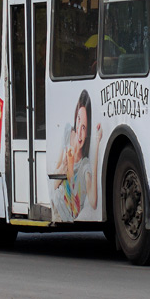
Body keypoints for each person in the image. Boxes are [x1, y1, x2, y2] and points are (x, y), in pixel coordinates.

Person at [53, 90, 102, 220]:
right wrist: (63, 168)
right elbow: (54, 183)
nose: (79, 131)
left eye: (84, 127)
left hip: (67, 215)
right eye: (79, 120)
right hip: (56, 205)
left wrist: (97, 144)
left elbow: (93, 201)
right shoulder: (68, 132)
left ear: (88, 132)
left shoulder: (84, 164)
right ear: (75, 117)